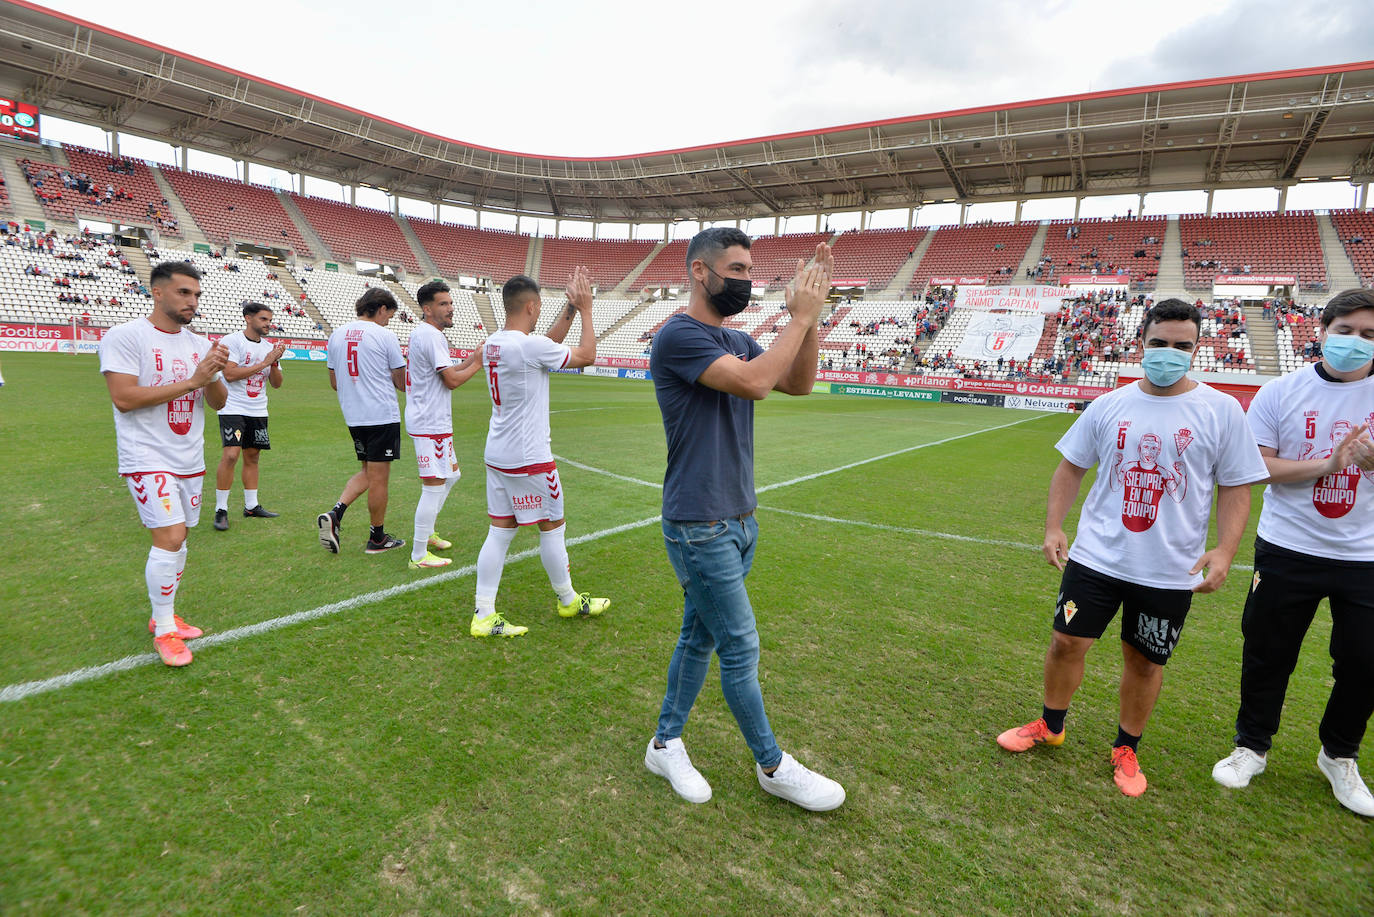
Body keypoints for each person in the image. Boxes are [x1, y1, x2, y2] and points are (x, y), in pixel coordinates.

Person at [996, 298, 1268, 797]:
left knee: (1144, 661)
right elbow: (1070, 467)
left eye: (1181, 346)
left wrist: (1225, 550)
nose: (1169, 353)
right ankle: (1050, 724)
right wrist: (1055, 527)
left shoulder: (1222, 410)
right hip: (1097, 556)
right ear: (1140, 344)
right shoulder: (1110, 403)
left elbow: (1236, 487)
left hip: (1169, 568)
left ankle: (1127, 748)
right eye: (1159, 344)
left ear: (1197, 347)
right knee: (1065, 642)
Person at [643, 227, 845, 812]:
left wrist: (811, 315)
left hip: (738, 520)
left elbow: (798, 383)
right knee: (739, 644)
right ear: (700, 272)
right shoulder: (678, 335)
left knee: (698, 636)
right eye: (735, 269)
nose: (746, 279)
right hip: (698, 523)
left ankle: (664, 742)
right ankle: (773, 765)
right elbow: (757, 383)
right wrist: (799, 318)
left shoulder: (735, 335)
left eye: (749, 269)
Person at [1212, 289, 1374, 817]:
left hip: (1366, 556)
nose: (1355, 341)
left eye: (1369, 335)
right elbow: (1257, 467)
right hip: (1288, 547)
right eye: (1346, 329)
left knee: (1365, 661)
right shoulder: (1281, 392)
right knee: (1268, 651)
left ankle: (1339, 755)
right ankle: (1251, 746)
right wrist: (1326, 467)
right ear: (1322, 329)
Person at [98, 261, 229, 667]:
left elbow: (220, 403)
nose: (192, 301)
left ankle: (165, 616)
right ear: (157, 292)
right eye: (184, 293)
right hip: (146, 455)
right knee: (169, 537)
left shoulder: (197, 343)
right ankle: (166, 630)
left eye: (196, 295)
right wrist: (193, 379)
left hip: (188, 456)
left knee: (181, 539)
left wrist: (212, 374)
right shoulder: (125, 336)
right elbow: (124, 397)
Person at [470, 268, 608, 637]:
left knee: (499, 532)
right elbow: (587, 355)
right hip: (529, 456)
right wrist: (587, 310)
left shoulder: (496, 343)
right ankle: (567, 600)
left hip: (497, 453)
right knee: (552, 529)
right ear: (532, 307)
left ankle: (484, 614)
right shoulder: (529, 347)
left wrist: (569, 309)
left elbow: (544, 344)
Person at [317, 288, 407, 555]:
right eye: (388, 315)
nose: (388, 320)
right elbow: (401, 382)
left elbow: (334, 383)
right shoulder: (385, 335)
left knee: (369, 472)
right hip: (381, 414)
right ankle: (377, 538)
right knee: (380, 479)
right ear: (381, 309)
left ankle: (336, 514)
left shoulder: (336, 335)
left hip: (354, 416)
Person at [405, 280, 482, 570]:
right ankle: (418, 555)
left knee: (451, 476)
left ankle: (428, 532)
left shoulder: (428, 334)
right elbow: (451, 381)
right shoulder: (431, 336)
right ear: (427, 309)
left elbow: (447, 371)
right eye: (443, 304)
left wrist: (472, 358)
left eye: (450, 303)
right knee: (434, 484)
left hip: (433, 420)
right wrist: (479, 364)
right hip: (429, 421)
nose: (450, 309)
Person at [213, 302, 286, 530]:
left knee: (253, 456)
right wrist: (264, 362)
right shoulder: (231, 341)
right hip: (232, 406)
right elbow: (230, 374)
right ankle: (221, 509)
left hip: (258, 409)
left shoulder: (269, 347)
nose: (268, 324)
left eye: (269, 320)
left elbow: (276, 384)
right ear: (248, 318)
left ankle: (251, 506)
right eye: (263, 319)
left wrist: (273, 363)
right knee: (231, 455)